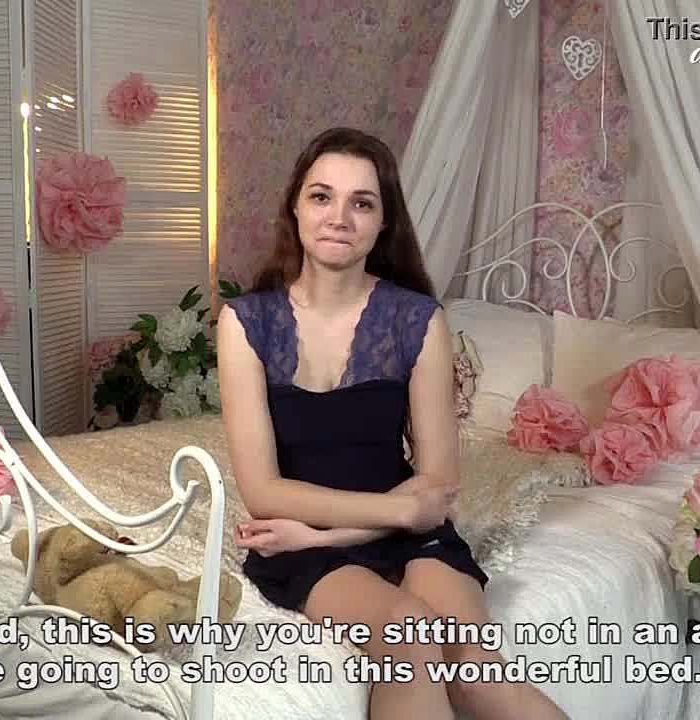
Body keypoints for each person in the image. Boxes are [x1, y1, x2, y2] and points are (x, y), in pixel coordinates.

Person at [216, 127, 569, 720]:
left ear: (384, 223)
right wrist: (395, 513)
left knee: (476, 670)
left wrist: (336, 533)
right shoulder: (246, 321)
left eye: (362, 202)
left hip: (361, 532)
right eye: (321, 196)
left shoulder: (416, 319)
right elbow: (264, 492)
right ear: (295, 207)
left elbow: (436, 483)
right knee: (408, 639)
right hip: (302, 540)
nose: (339, 217)